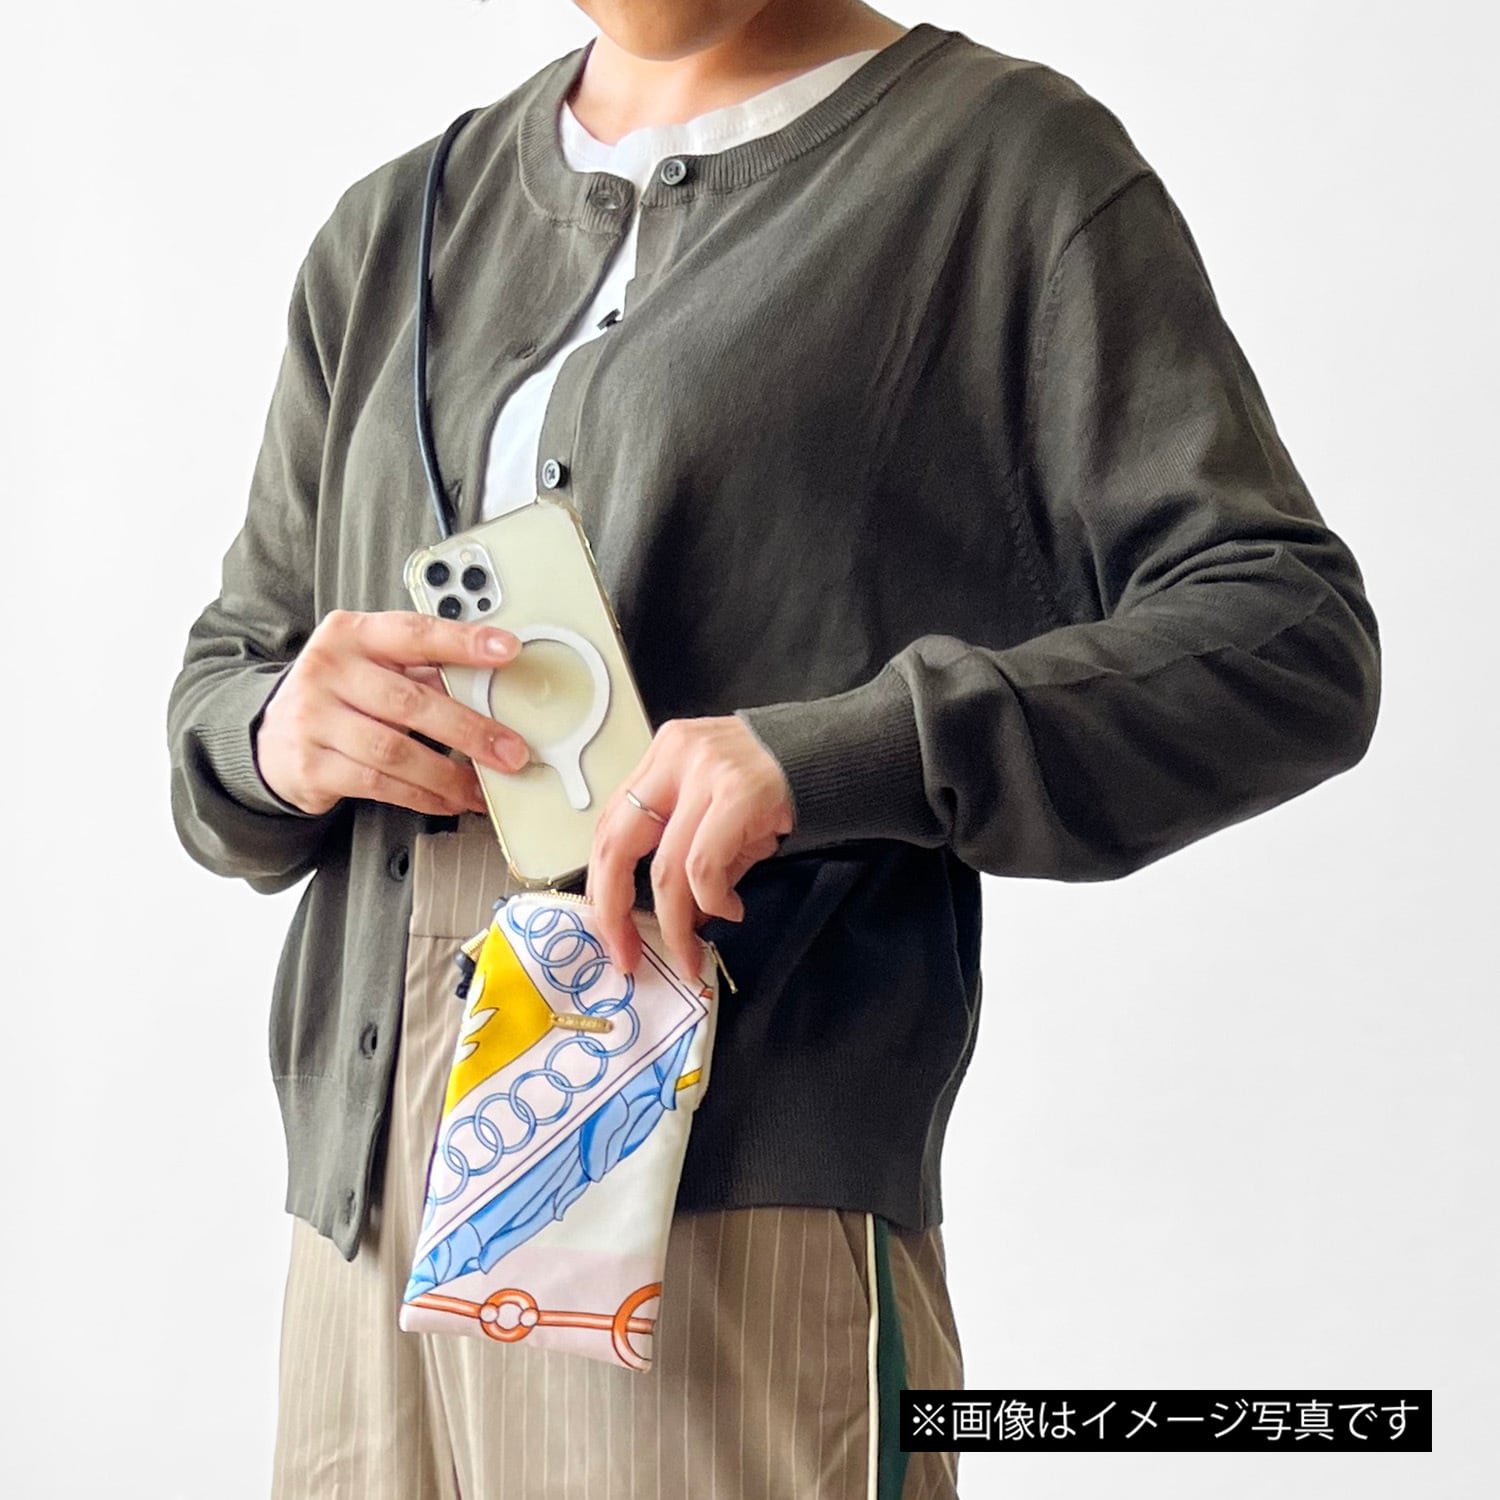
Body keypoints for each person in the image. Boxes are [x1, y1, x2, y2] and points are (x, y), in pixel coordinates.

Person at [165, 1, 1382, 1495]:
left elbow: (1287, 635)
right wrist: (276, 732)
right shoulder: (397, 225)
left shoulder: (999, 169)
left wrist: (839, 755)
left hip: (722, 1206)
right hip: (367, 1229)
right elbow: (230, 674)